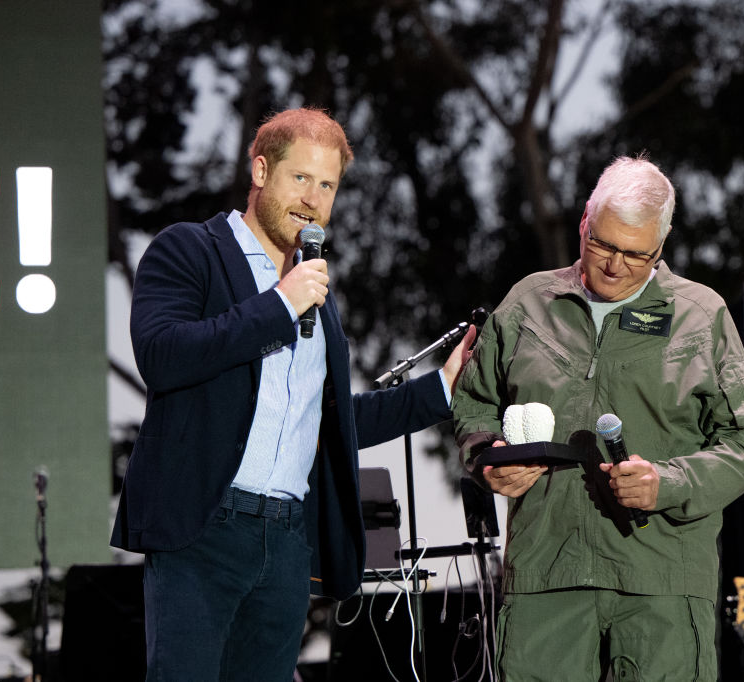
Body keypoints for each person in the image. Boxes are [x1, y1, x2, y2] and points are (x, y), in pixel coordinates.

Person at [110, 107, 476, 681]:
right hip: (203, 531)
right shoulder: (191, 251)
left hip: (285, 544)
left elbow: (331, 420)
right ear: (260, 171)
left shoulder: (317, 296)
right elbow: (163, 355)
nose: (313, 199)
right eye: (300, 178)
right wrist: (279, 305)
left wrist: (442, 391)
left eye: (327, 185)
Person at [453, 155, 744, 681]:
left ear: (661, 248)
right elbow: (474, 402)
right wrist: (488, 458)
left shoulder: (700, 314)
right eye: (602, 244)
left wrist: (668, 483)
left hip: (662, 577)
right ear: (584, 222)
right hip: (545, 573)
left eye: (636, 254)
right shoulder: (528, 303)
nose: (614, 265)